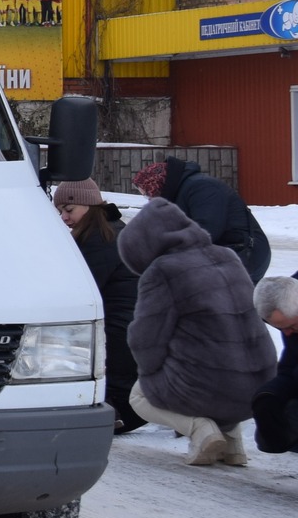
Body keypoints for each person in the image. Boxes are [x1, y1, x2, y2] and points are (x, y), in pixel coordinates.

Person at [118, 197, 280, 466]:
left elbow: (146, 338)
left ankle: (199, 429)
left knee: (140, 395)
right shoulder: (227, 255)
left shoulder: (162, 271)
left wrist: (150, 372)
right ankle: (233, 445)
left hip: (208, 388)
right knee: (220, 364)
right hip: (258, 384)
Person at [54, 177, 142, 432]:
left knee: (118, 381)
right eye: (60, 211)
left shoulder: (99, 238)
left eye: (68, 210)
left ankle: (123, 416)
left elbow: (83, 289)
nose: (64, 218)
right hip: (130, 320)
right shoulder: (113, 229)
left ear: (89, 205)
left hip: (120, 325)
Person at [132, 157, 271, 282]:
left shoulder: (202, 187)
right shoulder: (178, 194)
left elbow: (206, 230)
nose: (149, 199)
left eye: (147, 193)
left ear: (157, 184)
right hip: (227, 253)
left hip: (244, 253)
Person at [249, 277, 298, 453]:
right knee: (272, 413)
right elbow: (290, 366)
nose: (287, 333)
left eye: (291, 326)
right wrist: (270, 395)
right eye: (280, 329)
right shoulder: (289, 307)